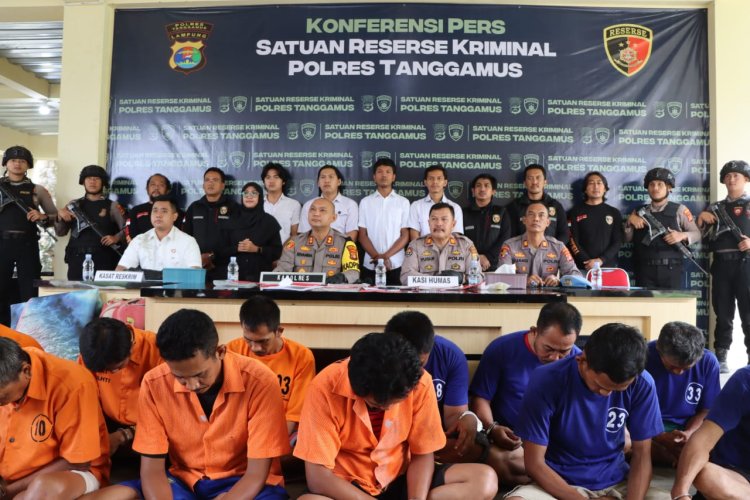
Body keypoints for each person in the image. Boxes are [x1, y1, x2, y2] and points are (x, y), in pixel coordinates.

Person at [92, 309, 290, 499]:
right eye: (180, 377)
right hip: (184, 482)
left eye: (200, 374)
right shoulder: (154, 383)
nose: (192, 385)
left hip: (244, 483)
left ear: (220, 352)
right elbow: (152, 471)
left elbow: (256, 475)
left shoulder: (261, 381)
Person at [294, 332, 498, 500]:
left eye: (395, 402)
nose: (387, 409)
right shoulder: (324, 387)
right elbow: (318, 477)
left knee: (484, 479)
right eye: (376, 405)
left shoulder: (420, 382)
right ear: (357, 387)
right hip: (348, 484)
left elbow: (422, 453)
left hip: (401, 475)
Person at [507, 323, 667, 500]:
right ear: (582, 360)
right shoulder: (546, 380)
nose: (606, 394)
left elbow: (642, 455)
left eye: (618, 389)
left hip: (618, 482)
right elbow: (534, 464)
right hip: (560, 483)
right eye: (599, 385)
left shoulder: (643, 383)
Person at [470, 302, 582, 485]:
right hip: (514, 442)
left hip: (554, 443)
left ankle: (548, 479)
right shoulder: (502, 349)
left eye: (564, 352)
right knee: (498, 460)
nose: (555, 358)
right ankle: (559, 479)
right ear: (535, 331)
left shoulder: (579, 361)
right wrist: (492, 428)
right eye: (549, 349)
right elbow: (480, 398)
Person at [0, 337, 109, 499]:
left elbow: (79, 462)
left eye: (2, 398)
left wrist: (9, 491)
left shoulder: (73, 385)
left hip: (74, 472)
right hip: (9, 478)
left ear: (26, 371)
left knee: (39, 492)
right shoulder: (11, 377)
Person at [385, 311, 489, 464]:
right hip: (391, 434)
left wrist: (467, 417)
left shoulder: (450, 356)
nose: (415, 372)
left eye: (420, 363)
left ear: (430, 348)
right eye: (405, 364)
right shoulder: (378, 360)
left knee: (474, 446)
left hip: (432, 437)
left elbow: (453, 415)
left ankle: (418, 460)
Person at [227, 295, 315, 440]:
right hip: (243, 429)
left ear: (279, 331)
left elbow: (293, 415)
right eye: (248, 340)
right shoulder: (232, 351)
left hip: (283, 431)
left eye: (263, 341)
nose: (255, 348)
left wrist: (269, 443)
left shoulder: (302, 356)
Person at [77, 317, 162, 458]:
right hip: (106, 423)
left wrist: (124, 435)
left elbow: (169, 414)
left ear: (131, 348)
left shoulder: (158, 351)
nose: (109, 374)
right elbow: (86, 399)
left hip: (150, 429)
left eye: (115, 369)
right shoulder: (92, 353)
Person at [696, 159, 750, 372]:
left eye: (736, 175)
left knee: (748, 315)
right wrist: (701, 218)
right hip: (721, 266)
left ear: (746, 179)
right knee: (723, 315)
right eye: (728, 176)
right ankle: (721, 357)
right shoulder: (715, 208)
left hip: (746, 265)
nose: (731, 179)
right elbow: (701, 235)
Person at [645, 321, 720, 467]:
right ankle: (676, 457)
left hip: (687, 426)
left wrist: (690, 433)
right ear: (659, 349)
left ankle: (674, 456)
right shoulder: (642, 357)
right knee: (627, 442)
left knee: (723, 440)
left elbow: (707, 411)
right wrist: (661, 437)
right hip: (648, 427)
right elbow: (631, 413)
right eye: (672, 366)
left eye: (686, 368)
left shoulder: (708, 362)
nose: (679, 372)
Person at [671, 365, 750, 499]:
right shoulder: (745, 379)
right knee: (703, 473)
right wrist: (680, 493)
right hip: (736, 475)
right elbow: (702, 442)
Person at [0, 145, 57, 326]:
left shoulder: (37, 190)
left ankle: (29, 329)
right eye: (13, 160)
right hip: (2, 244)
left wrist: (42, 216)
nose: (17, 164)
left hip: (27, 244)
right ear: (6, 163)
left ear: (28, 165)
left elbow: (56, 217)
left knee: (29, 291)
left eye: (22, 161)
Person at [625, 167, 701, 289]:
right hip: (644, 271)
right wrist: (629, 222)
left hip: (671, 270)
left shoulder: (680, 210)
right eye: (652, 184)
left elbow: (697, 234)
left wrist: (681, 235)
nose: (655, 188)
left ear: (669, 187)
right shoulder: (638, 212)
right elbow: (626, 239)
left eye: (660, 184)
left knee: (671, 302)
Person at [55, 165, 126, 280]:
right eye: (89, 178)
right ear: (83, 182)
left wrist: (116, 238)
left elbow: (127, 229)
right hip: (77, 259)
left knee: (103, 290)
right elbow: (60, 232)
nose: (92, 182)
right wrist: (60, 216)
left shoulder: (112, 206)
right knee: (76, 291)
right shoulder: (73, 205)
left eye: (97, 178)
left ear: (103, 182)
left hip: (103, 259)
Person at [274, 197, 359, 284]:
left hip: (331, 291)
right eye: (312, 209)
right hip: (300, 291)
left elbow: (353, 272)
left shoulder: (345, 243)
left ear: (333, 218)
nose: (316, 213)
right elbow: (281, 270)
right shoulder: (295, 242)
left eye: (322, 210)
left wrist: (341, 277)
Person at [498, 202, 581, 287]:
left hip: (550, 295)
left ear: (548, 222)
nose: (536, 219)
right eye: (531, 215)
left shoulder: (558, 247)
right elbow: (501, 278)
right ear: (524, 220)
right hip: (518, 295)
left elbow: (577, 276)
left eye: (541, 215)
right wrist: (524, 281)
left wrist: (559, 281)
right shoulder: (509, 246)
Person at [358, 158, 410, 285]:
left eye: (388, 172)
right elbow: (362, 235)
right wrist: (377, 257)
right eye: (380, 172)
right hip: (371, 263)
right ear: (374, 177)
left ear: (393, 177)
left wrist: (385, 256)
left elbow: (405, 235)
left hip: (396, 264)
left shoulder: (403, 202)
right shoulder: (365, 202)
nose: (384, 175)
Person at [181, 167, 240, 280]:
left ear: (223, 185)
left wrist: (212, 256)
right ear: (203, 185)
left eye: (215, 180)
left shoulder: (234, 208)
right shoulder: (194, 207)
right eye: (207, 180)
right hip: (197, 266)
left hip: (225, 267)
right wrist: (198, 258)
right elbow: (185, 238)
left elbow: (237, 241)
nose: (210, 183)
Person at [116, 195, 201, 272]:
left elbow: (195, 274)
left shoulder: (188, 242)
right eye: (155, 211)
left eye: (164, 211)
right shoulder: (139, 240)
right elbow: (121, 269)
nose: (158, 215)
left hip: (176, 285)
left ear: (174, 216)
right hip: (146, 285)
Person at [400, 202, 479, 285]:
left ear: (453, 224)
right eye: (434, 219)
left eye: (444, 219)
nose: (438, 223)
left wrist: (462, 278)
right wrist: (439, 280)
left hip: (457, 293)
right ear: (429, 223)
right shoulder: (416, 245)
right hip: (426, 293)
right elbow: (405, 276)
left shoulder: (466, 245)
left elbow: (478, 277)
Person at [218, 182, 282, 281]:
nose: (249, 196)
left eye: (254, 193)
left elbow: (277, 251)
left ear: (260, 197)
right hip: (233, 278)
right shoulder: (231, 220)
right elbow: (220, 250)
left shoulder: (269, 221)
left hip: (260, 277)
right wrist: (237, 248)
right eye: (246, 193)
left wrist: (257, 249)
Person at [567, 171, 623, 270]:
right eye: (591, 183)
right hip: (582, 268)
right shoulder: (574, 212)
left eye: (599, 183)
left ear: (605, 189)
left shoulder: (614, 212)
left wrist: (601, 260)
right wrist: (587, 261)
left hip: (607, 267)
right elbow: (572, 241)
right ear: (585, 189)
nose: (595, 186)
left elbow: (617, 242)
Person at [505, 164, 568, 244]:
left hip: (551, 251)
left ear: (545, 182)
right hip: (521, 251)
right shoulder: (514, 207)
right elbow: (510, 235)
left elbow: (564, 234)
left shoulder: (556, 206)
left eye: (538, 177)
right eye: (530, 178)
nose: (534, 182)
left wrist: (551, 248)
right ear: (525, 183)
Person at [462, 173, 510, 272]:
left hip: (495, 265)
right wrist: (476, 257)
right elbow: (460, 239)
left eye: (486, 186)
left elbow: (505, 237)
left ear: (493, 191)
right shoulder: (463, 213)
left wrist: (488, 257)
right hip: (469, 264)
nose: (482, 189)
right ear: (473, 191)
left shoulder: (501, 212)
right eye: (478, 186)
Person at [298, 165, 359, 241]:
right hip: (312, 247)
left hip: (340, 247)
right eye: (323, 177)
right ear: (318, 183)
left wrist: (338, 247)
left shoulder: (350, 204)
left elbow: (352, 233)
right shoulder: (309, 205)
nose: (327, 180)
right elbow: (303, 234)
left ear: (339, 182)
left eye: (331, 177)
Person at [407, 164, 464, 240]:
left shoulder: (455, 207)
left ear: (445, 182)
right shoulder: (416, 206)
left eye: (439, 178)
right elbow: (414, 236)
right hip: (422, 247)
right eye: (431, 178)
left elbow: (456, 237)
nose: (435, 182)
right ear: (425, 182)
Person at [124, 173, 182, 243]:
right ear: (147, 189)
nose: (156, 188)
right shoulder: (136, 211)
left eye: (161, 185)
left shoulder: (176, 212)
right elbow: (131, 236)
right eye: (153, 185)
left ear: (168, 190)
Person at [261, 162, 301, 245]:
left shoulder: (294, 204)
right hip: (260, 250)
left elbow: (294, 235)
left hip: (285, 250)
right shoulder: (258, 204)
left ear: (283, 182)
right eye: (268, 177)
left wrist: (285, 250)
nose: (271, 181)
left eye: (276, 177)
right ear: (264, 182)